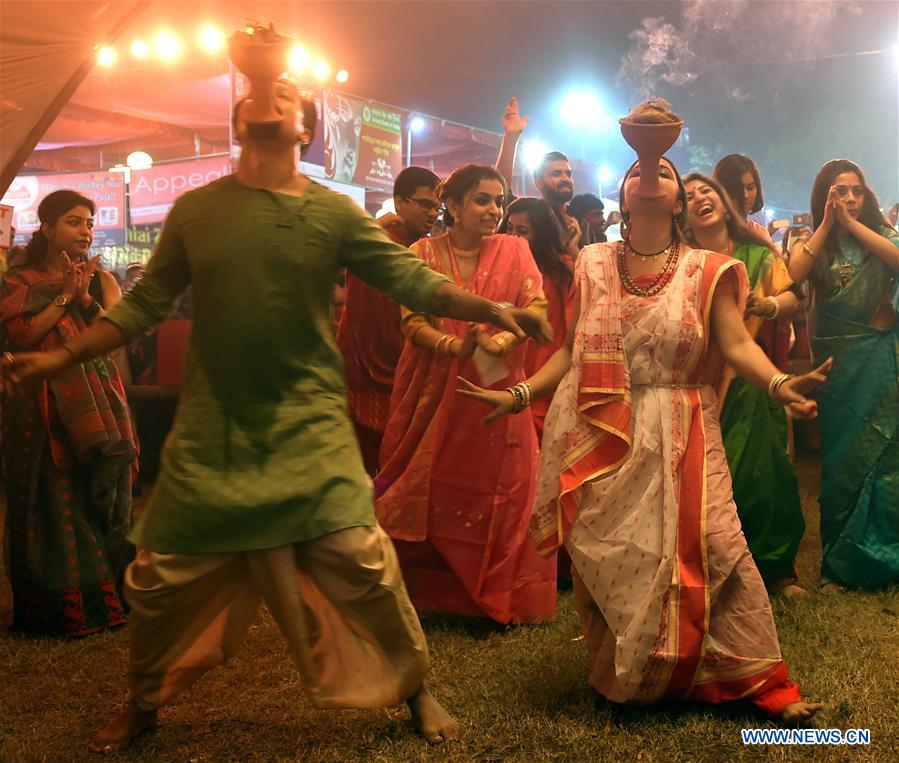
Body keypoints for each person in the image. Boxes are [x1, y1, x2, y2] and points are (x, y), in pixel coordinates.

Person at [1, 78, 551, 753]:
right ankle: (144, 699)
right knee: (162, 578)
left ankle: (416, 689)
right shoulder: (198, 210)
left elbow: (408, 279)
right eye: (257, 92)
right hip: (215, 428)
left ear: (304, 129)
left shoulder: (332, 212)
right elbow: (145, 307)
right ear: (239, 123)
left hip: (307, 426)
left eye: (285, 95)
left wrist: (491, 309)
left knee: (363, 565)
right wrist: (62, 358)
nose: (269, 97)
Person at [460, 143, 829, 723]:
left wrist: (780, 381)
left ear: (679, 197)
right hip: (612, 430)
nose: (650, 174)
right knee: (621, 553)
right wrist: (519, 393)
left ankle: (762, 679)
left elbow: (735, 345)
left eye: (663, 169)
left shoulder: (709, 269)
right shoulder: (595, 264)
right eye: (637, 169)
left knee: (718, 545)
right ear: (624, 195)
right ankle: (644, 673)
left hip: (685, 420)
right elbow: (571, 351)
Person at [375, 165, 557, 624]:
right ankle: (443, 588)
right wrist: (457, 347)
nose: (494, 210)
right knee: (430, 483)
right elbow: (412, 321)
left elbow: (535, 308)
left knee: (508, 488)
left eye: (498, 201)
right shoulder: (421, 252)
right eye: (482, 200)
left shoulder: (515, 250)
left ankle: (500, 591)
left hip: (500, 381)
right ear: (452, 206)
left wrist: (500, 342)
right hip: (435, 387)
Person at [0, 190, 136, 637]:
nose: (86, 231)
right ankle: (53, 610)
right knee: (49, 495)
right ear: (48, 227)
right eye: (75, 222)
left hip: (97, 404)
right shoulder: (20, 281)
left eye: (90, 223)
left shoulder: (101, 281)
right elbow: (21, 337)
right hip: (39, 406)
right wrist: (61, 297)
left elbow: (112, 336)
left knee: (92, 491)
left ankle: (109, 600)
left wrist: (82, 298)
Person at [684, 173, 806, 596]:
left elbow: (792, 297)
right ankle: (719, 574)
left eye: (706, 190)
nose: (700, 198)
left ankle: (774, 569)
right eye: (688, 196)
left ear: (722, 200)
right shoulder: (681, 261)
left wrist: (767, 304)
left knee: (762, 476)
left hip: (751, 383)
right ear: (679, 214)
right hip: (698, 384)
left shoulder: (756, 254)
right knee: (711, 483)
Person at [787, 159, 899, 591]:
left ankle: (886, 559)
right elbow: (795, 273)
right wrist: (829, 225)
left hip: (876, 359)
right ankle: (840, 565)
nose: (848, 198)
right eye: (839, 191)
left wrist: (852, 225)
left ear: (865, 195)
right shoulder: (810, 240)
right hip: (834, 362)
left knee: (884, 456)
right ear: (824, 197)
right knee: (840, 461)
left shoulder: (879, 236)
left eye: (855, 190)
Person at [336, 166, 441, 473]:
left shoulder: (428, 252)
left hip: (404, 375)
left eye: (436, 206)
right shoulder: (373, 241)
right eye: (424, 204)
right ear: (400, 201)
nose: (432, 213)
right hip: (361, 375)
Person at [497, 196, 574, 439]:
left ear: (541, 234)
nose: (513, 238)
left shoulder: (563, 270)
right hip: (504, 376)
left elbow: (571, 335)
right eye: (509, 229)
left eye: (523, 231)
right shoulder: (498, 270)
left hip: (547, 381)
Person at [493, 99, 581, 257]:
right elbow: (501, 189)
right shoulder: (529, 213)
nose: (565, 179)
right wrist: (511, 137)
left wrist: (573, 251)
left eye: (568, 174)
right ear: (538, 182)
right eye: (556, 173)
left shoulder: (580, 220)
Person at [713, 154, 775, 246]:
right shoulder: (712, 233)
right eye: (738, 189)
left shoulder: (760, 232)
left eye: (750, 187)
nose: (745, 195)